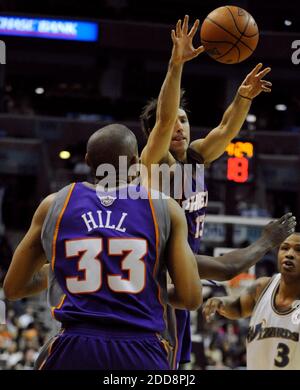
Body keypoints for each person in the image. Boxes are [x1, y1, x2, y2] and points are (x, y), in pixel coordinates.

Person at [3, 124, 202, 370]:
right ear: (134, 161)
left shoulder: (54, 204)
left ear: (87, 160)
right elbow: (191, 298)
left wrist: (64, 271)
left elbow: (13, 288)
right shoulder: (165, 207)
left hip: (74, 348)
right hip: (141, 349)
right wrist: (141, 287)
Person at [140, 15, 272, 367]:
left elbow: (227, 128)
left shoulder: (198, 155)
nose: (179, 126)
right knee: (158, 364)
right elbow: (164, 119)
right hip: (159, 272)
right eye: (173, 121)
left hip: (187, 268)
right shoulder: (152, 162)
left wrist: (243, 96)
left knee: (179, 363)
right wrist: (176, 63)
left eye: (185, 119)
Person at [203, 232, 300, 370]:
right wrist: (221, 302)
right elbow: (238, 307)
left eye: (298, 250)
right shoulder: (263, 287)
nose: (289, 254)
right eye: (284, 248)